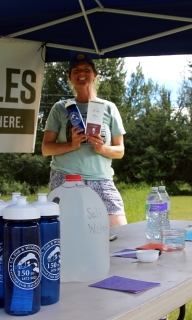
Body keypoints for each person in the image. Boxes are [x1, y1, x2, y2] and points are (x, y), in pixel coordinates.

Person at [41, 53, 128, 227]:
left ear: (95, 75)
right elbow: (46, 149)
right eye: (76, 70)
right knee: (66, 236)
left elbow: (120, 151)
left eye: (86, 69)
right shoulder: (60, 108)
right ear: (70, 77)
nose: (81, 73)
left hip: (101, 179)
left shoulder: (109, 108)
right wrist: (72, 144)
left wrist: (101, 148)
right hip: (66, 178)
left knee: (120, 233)